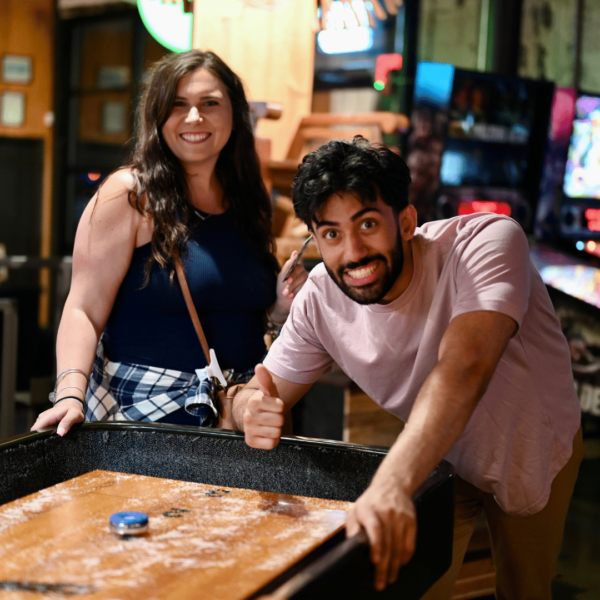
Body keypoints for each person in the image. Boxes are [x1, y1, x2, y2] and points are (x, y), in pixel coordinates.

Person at [230, 137, 583, 598]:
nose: (353, 252)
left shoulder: (487, 242)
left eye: (368, 224)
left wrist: (390, 485)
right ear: (315, 240)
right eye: (332, 234)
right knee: (414, 587)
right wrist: (248, 410)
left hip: (531, 442)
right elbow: (263, 391)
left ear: (407, 220)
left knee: (524, 591)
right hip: (439, 452)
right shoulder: (320, 297)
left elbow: (464, 368)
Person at [32, 50, 306, 437]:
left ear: (234, 113)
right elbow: (83, 309)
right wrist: (70, 396)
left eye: (210, 103)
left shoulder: (249, 198)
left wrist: (278, 308)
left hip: (242, 420)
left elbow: (239, 313)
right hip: (147, 426)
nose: (194, 117)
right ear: (157, 116)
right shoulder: (130, 194)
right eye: (178, 105)